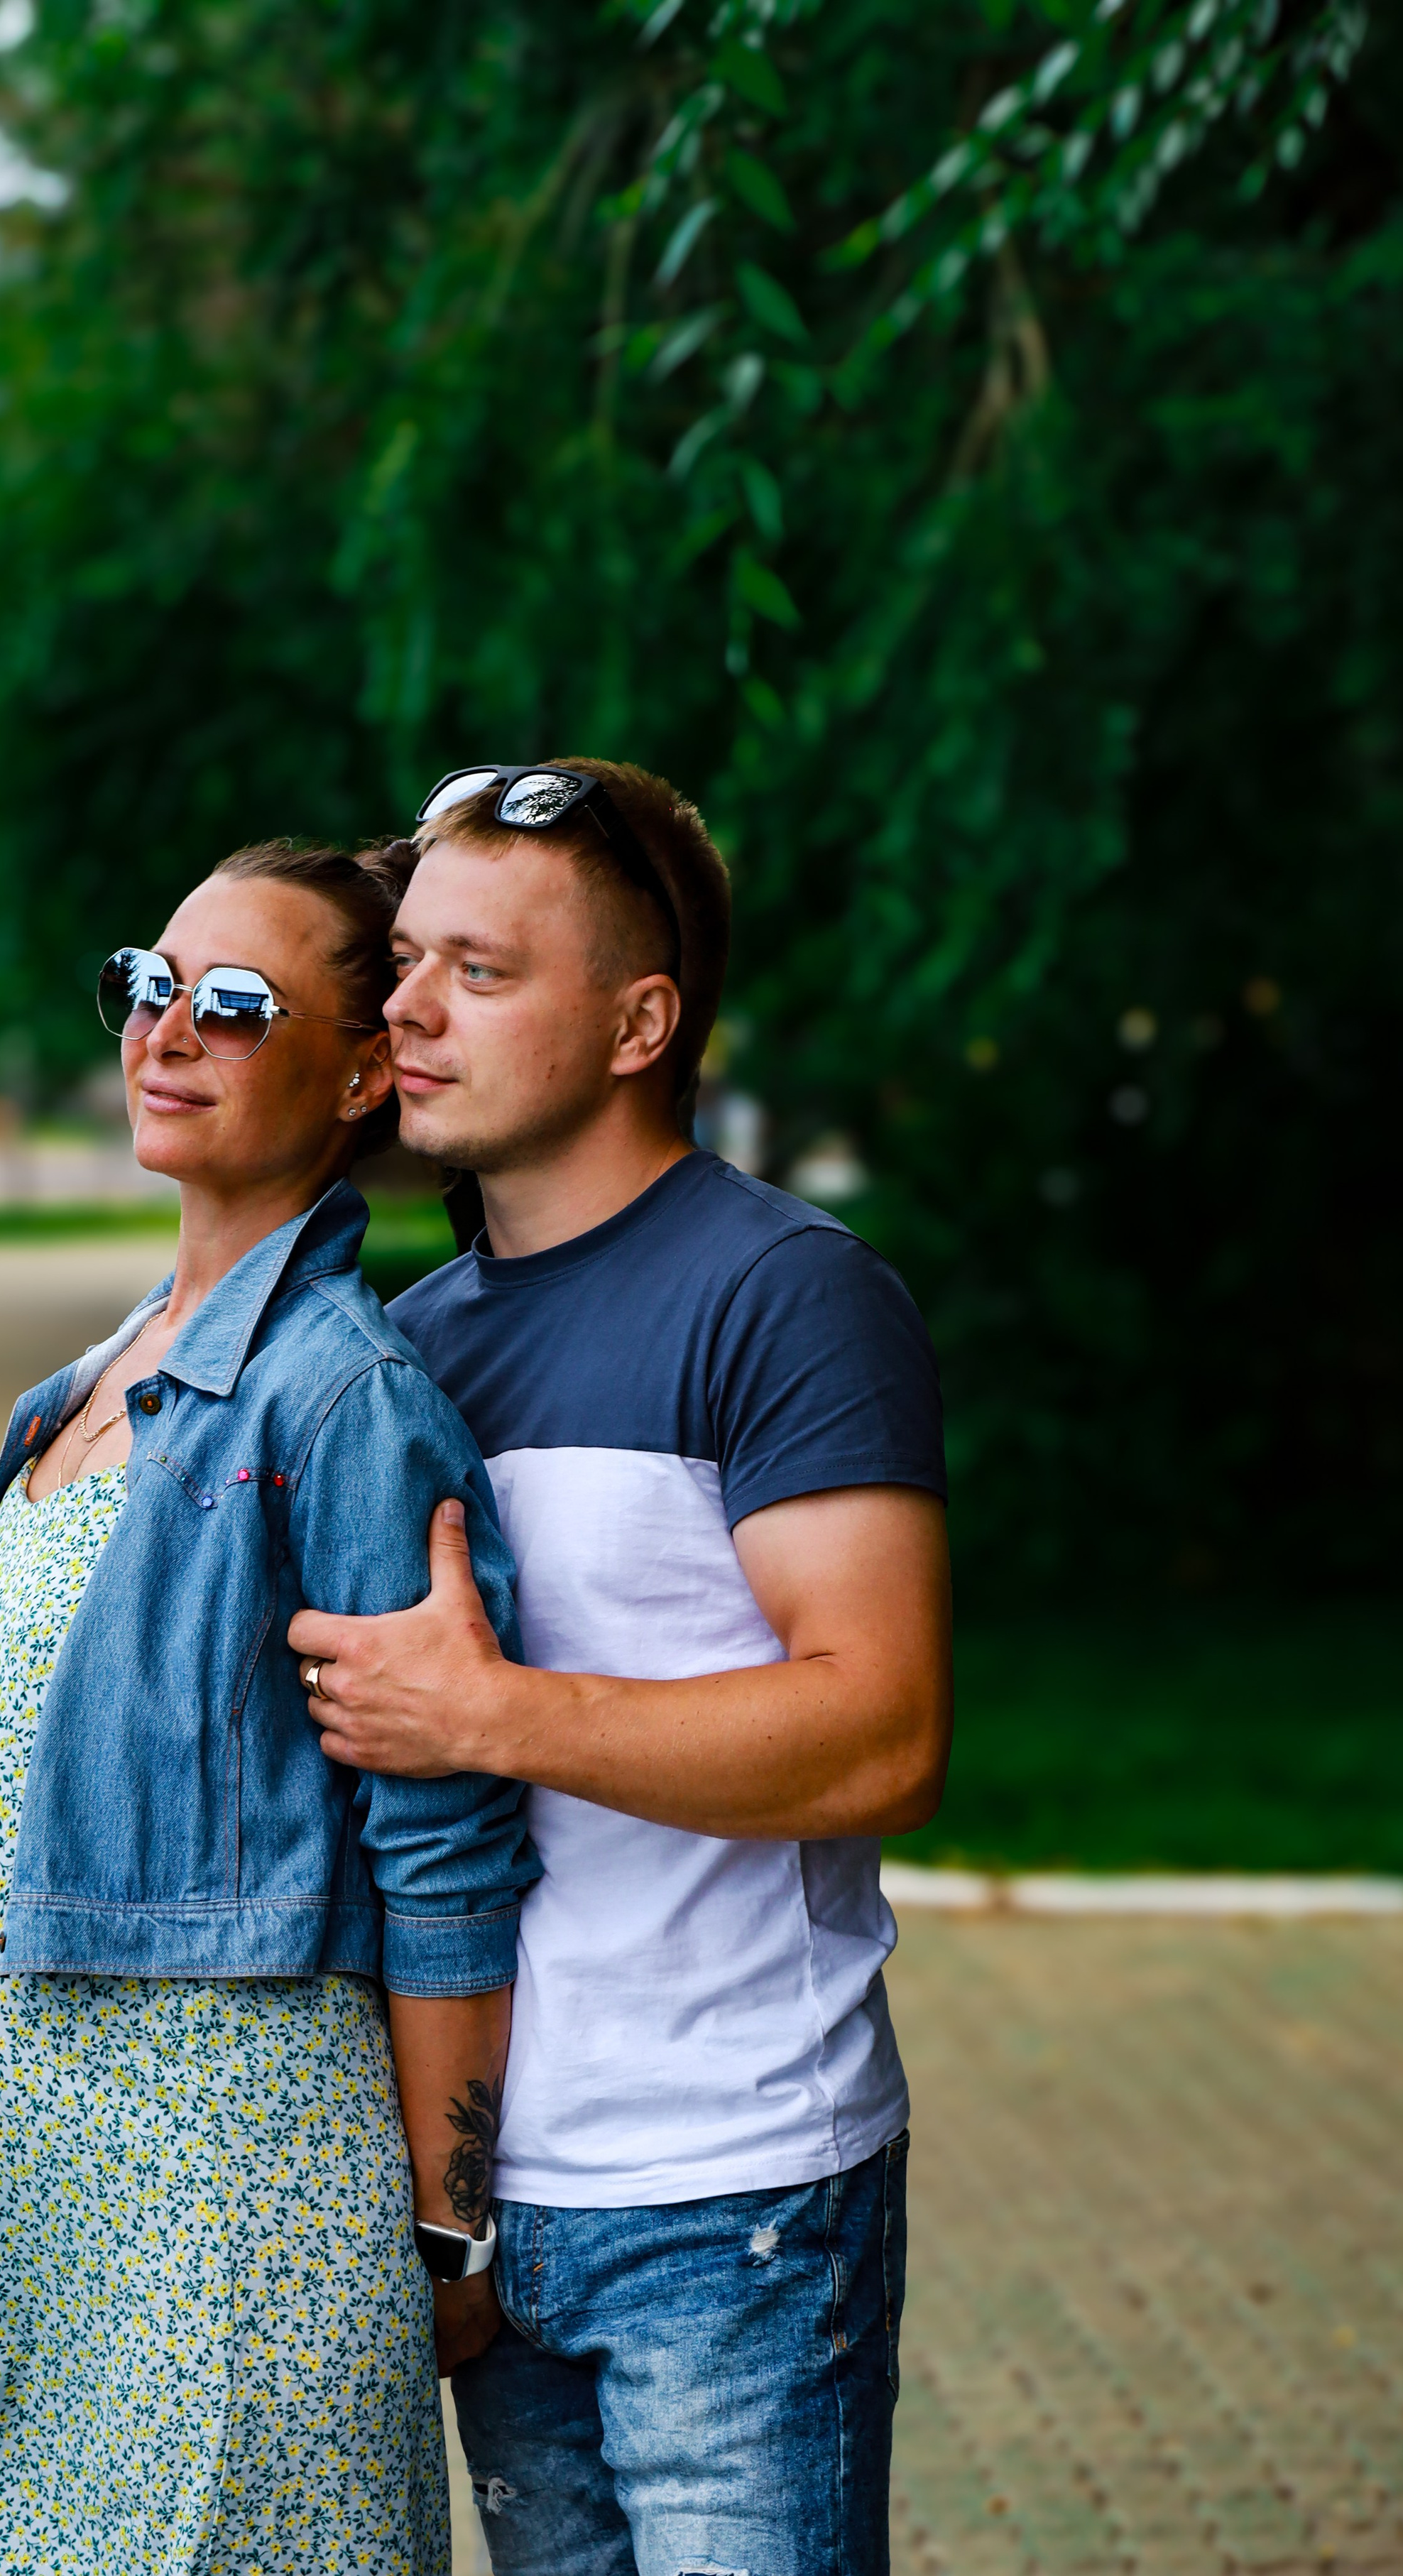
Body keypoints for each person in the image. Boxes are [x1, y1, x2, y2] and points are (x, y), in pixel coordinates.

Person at [0, 839, 539, 2575]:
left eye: (234, 1002)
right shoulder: (92, 1376)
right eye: (149, 983)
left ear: (360, 1073)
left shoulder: (345, 1403)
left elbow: (444, 1847)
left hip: (207, 2270)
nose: (167, 1028)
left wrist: (450, 2232)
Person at [287, 763, 954, 2576]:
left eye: (480, 971)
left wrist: (489, 1713)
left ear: (638, 1022)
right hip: (497, 2205)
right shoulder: (401, 1345)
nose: (408, 1009)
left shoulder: (785, 1292)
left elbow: (881, 1729)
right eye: (406, 960)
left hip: (730, 2193)